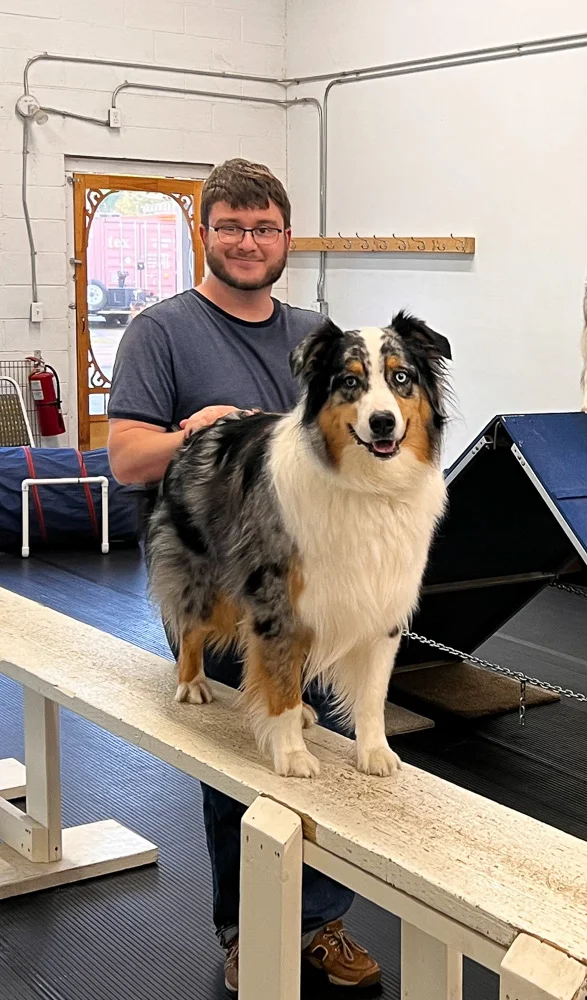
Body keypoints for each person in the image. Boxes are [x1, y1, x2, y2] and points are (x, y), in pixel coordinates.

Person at [107, 158, 381, 994]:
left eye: (263, 227)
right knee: (244, 765)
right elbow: (126, 460)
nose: (248, 242)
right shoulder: (160, 331)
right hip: (215, 574)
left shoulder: (317, 331)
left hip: (317, 572)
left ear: (286, 237)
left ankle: (320, 923)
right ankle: (248, 932)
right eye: (230, 226)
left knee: (318, 748)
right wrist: (197, 431)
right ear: (205, 234)